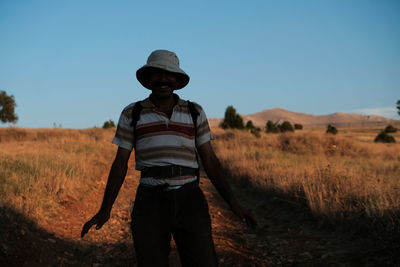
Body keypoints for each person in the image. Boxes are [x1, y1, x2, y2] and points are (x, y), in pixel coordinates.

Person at [81, 49, 258, 266]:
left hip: (190, 200)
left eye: (169, 74)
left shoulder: (195, 112)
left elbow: (210, 161)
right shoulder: (132, 113)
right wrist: (105, 209)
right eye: (157, 73)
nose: (163, 79)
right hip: (149, 202)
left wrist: (234, 204)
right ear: (148, 79)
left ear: (177, 80)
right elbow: (120, 163)